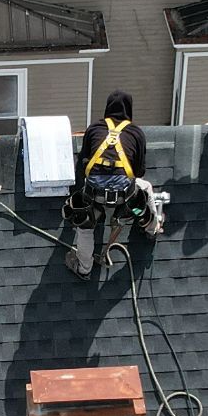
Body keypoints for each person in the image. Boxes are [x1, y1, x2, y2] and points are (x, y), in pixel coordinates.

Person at [66, 90, 165, 276]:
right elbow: (139, 171)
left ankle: (83, 268)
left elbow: (81, 165)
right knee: (146, 189)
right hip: (125, 196)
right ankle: (152, 229)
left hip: (94, 192)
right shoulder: (135, 132)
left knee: (85, 226)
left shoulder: (94, 128)